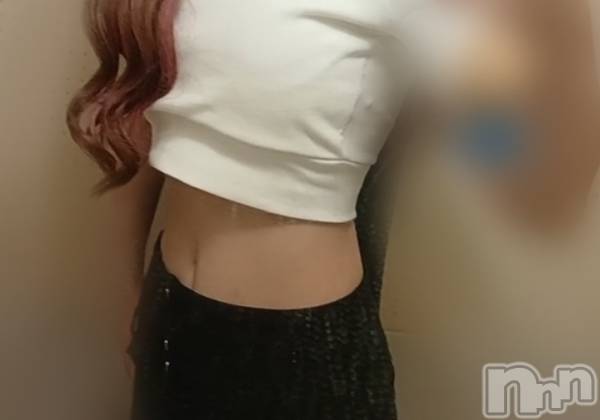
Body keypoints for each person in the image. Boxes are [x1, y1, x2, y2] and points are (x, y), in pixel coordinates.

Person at [67, 0, 521, 419]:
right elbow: (141, 127)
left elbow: (505, 129)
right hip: (168, 312)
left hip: (298, 345)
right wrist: (127, 296)